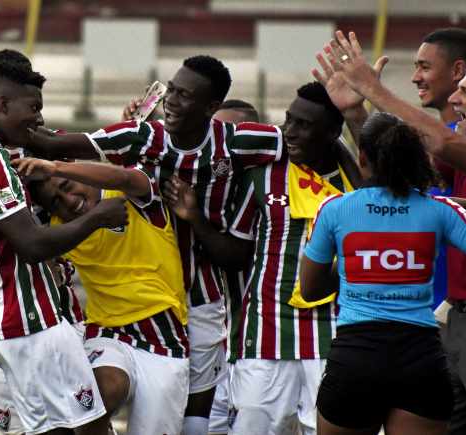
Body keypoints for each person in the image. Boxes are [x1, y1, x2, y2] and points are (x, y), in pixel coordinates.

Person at [19, 55, 284, 435]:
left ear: (210, 108)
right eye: (171, 91)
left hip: (190, 309)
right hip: (115, 328)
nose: (172, 101)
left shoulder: (233, 151)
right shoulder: (142, 141)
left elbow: (308, 142)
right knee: (95, 398)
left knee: (195, 418)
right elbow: (75, 146)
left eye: (184, 95)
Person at [0, 62, 127, 434]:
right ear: (1, 105)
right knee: (92, 428)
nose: (38, 119)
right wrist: (99, 217)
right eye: (32, 108)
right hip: (32, 321)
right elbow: (32, 245)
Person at [317, 30, 466, 434]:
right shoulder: (463, 143)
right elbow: (397, 169)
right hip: (456, 321)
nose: (454, 100)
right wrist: (355, 113)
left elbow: (440, 141)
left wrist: (373, 88)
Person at [164, 82, 359, 435]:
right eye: (288, 120)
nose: (290, 132)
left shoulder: (354, 184)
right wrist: (195, 219)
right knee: (253, 425)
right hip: (266, 331)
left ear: (332, 132)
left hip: (334, 333)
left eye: (303, 124)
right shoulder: (264, 175)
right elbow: (236, 254)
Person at [16, 156, 189, 435]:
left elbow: (122, 176)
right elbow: (30, 244)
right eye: (56, 201)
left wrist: (54, 166)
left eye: (67, 186)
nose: (69, 201)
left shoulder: (129, 195)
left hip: (164, 338)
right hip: (108, 332)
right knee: (98, 396)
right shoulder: (63, 228)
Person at [0, 50, 86, 434]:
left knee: (76, 419)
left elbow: (81, 188)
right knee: (19, 426)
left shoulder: (42, 146)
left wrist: (49, 182)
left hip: (53, 312)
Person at [412, 28, 466, 308]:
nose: (415, 77)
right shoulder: (437, 139)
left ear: (458, 70)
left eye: (424, 67)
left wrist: (373, 90)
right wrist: (356, 113)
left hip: (464, 308)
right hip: (428, 309)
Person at [207, 99, 261, 435]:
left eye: (228, 137)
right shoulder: (203, 189)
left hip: (257, 348)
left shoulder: (271, 190)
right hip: (209, 348)